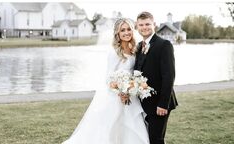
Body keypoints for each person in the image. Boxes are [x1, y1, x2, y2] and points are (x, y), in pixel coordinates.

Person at [62, 18, 149, 144]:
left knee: (133, 127)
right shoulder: (114, 53)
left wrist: (131, 88)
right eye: (122, 30)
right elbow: (109, 78)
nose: (126, 32)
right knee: (114, 128)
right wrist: (121, 92)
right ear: (117, 34)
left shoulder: (134, 49)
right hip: (117, 98)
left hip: (131, 94)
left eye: (129, 29)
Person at [134, 11, 178, 144]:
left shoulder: (164, 45)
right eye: (141, 25)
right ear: (137, 26)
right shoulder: (139, 46)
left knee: (156, 139)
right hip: (144, 103)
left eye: (147, 24)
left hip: (159, 103)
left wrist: (163, 104)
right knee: (146, 138)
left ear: (154, 25)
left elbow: (169, 76)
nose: (144, 27)